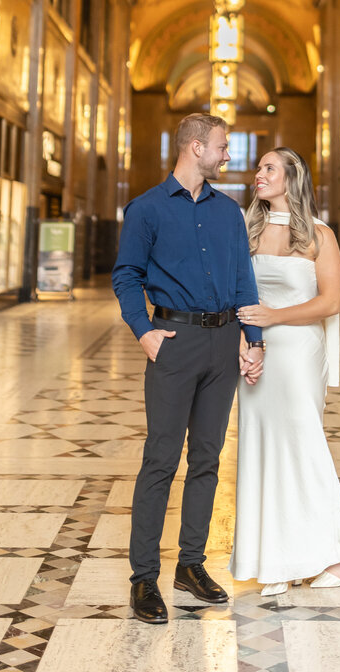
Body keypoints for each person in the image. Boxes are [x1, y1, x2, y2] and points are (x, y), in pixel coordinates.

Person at [112, 113, 265, 624]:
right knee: (160, 459)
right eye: (222, 148)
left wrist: (254, 338)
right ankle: (143, 578)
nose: (227, 156)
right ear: (195, 147)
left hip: (223, 345)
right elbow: (127, 276)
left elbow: (243, 278)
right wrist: (144, 331)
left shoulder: (228, 213)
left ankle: (191, 566)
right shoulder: (147, 209)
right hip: (173, 343)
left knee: (207, 458)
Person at [230, 147, 340, 595]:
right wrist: (246, 343)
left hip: (300, 352)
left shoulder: (319, 236)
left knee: (303, 446)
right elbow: (237, 296)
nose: (258, 175)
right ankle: (279, 560)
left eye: (268, 168)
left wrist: (273, 318)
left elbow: (330, 302)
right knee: (261, 448)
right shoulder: (247, 230)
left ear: (291, 178)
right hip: (257, 352)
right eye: (259, 168)